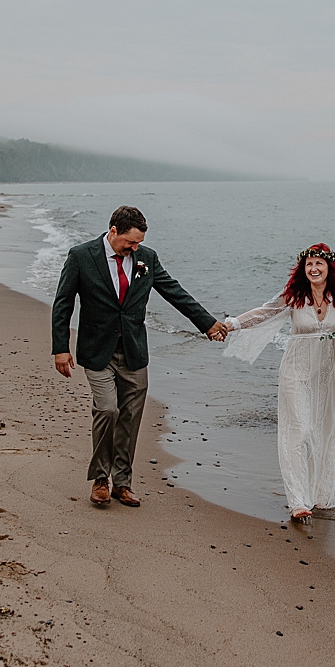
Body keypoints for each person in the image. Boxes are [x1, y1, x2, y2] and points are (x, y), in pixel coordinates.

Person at [51, 204, 229, 509]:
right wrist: (60, 347)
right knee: (108, 410)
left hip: (134, 351)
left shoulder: (146, 258)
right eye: (129, 242)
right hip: (97, 351)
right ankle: (100, 479)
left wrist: (207, 322)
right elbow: (63, 301)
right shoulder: (81, 256)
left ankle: (122, 483)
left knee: (130, 419)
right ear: (113, 231)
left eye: (138, 243)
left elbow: (174, 291)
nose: (134, 248)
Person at [222, 243, 335, 523]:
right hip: (296, 369)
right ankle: (298, 501)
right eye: (309, 264)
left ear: (329, 268)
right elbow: (264, 312)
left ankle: (321, 495)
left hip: (332, 372)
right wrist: (233, 323)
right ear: (303, 268)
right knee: (299, 431)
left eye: (319, 264)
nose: (314, 269)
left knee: (326, 431)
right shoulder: (294, 295)